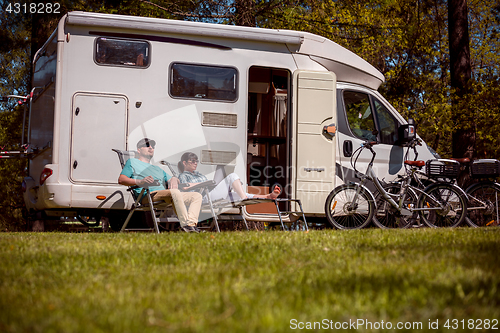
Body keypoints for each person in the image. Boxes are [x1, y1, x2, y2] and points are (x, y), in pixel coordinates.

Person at [118, 138, 203, 233]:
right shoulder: (132, 162)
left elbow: (172, 179)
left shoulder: (157, 168)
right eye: (147, 145)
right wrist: (141, 181)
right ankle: (186, 226)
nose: (151, 147)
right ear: (139, 150)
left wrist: (174, 179)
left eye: (152, 146)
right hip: (148, 195)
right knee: (174, 192)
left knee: (196, 196)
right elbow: (121, 180)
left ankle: (191, 225)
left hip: (167, 195)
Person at [177, 152, 281, 202]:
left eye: (196, 161)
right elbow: (185, 187)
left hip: (211, 192)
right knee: (232, 176)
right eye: (192, 161)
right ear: (184, 163)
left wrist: (209, 183)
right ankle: (243, 197)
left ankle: (268, 196)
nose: (195, 163)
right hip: (204, 197)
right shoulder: (183, 176)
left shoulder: (199, 174)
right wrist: (203, 184)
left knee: (239, 194)